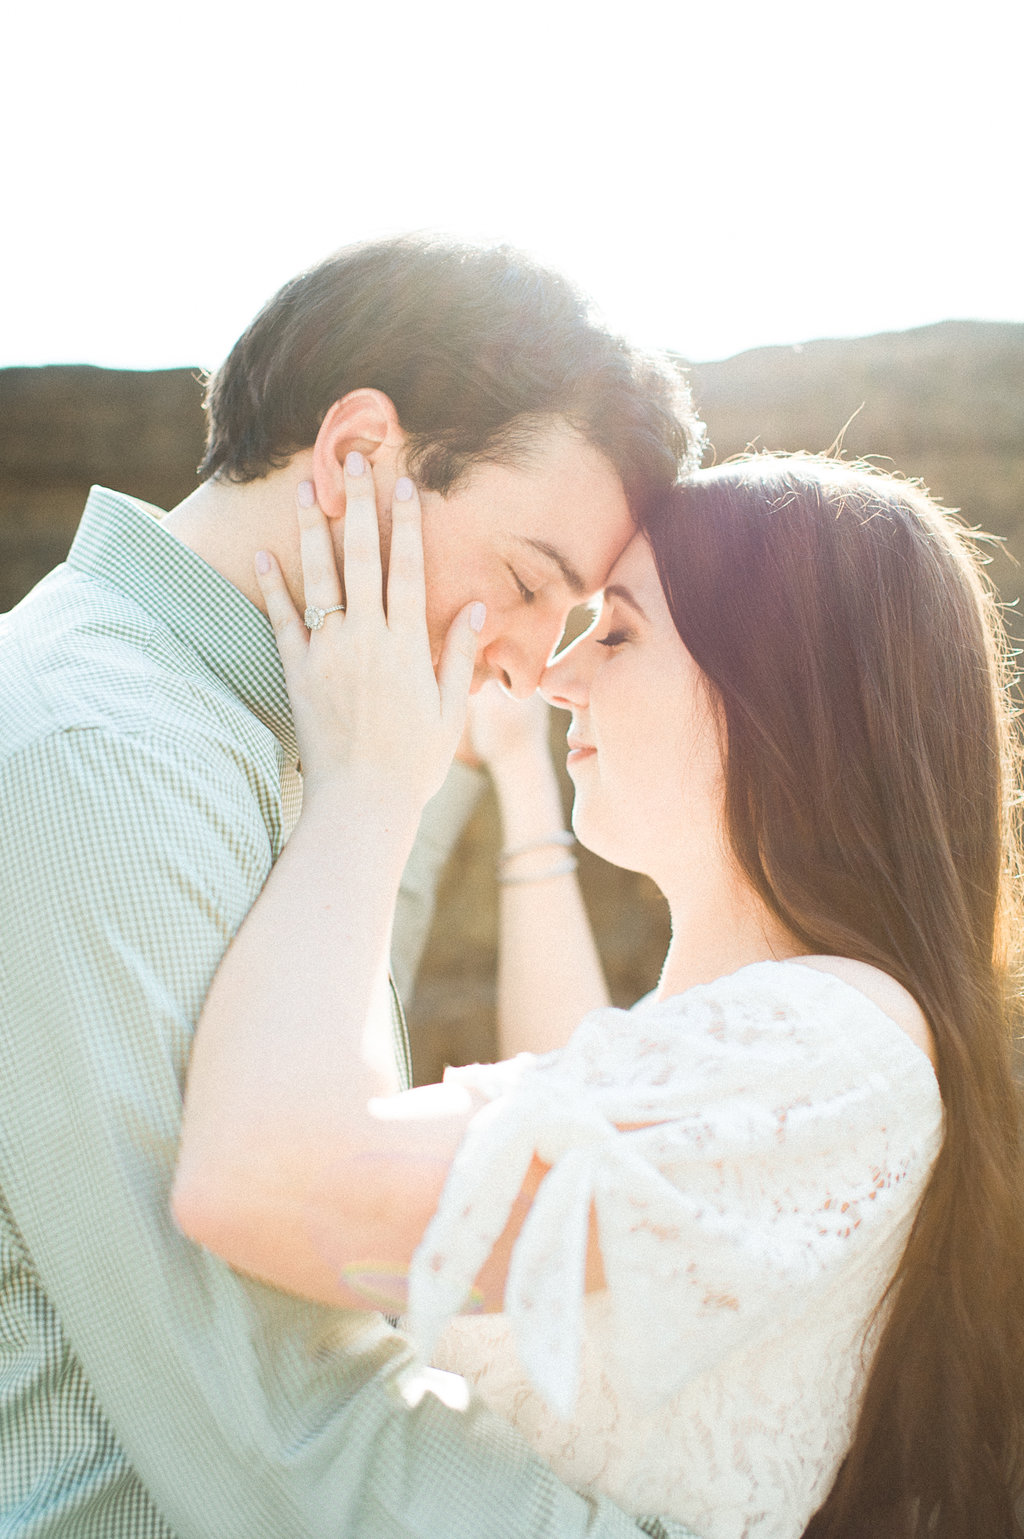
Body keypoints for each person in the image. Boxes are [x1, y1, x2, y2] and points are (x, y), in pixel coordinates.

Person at [174, 452, 1024, 1539]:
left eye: (615, 632)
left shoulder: (835, 1043)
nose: (557, 676)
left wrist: (369, 786)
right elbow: (573, 1078)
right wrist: (523, 783)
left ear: (784, 689)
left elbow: (256, 1183)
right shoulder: (785, 1035)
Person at [0, 236, 703, 1538]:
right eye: (528, 582)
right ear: (358, 454)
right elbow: (280, 1423)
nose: (521, 667)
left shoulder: (271, 747)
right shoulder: (96, 758)